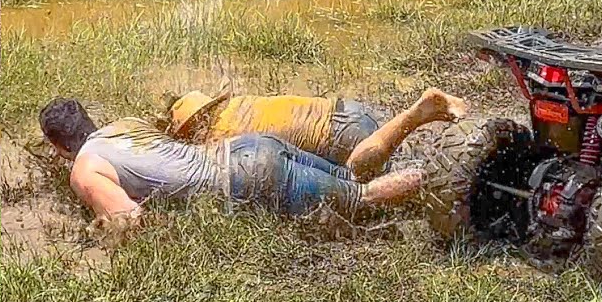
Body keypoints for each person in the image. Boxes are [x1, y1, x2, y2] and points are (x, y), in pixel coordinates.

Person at [38, 98, 433, 231]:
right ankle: (416, 132)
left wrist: (99, 230)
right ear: (90, 120)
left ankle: (436, 181)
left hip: (245, 181)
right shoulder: (125, 125)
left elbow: (131, 222)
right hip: (250, 148)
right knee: (351, 178)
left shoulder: (84, 169)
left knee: (360, 199)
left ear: (57, 148)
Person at [163, 87, 467, 182]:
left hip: (341, 137)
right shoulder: (241, 104)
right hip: (348, 110)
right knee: (421, 153)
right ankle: (451, 125)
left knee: (357, 178)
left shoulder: (221, 137)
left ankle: (417, 113)